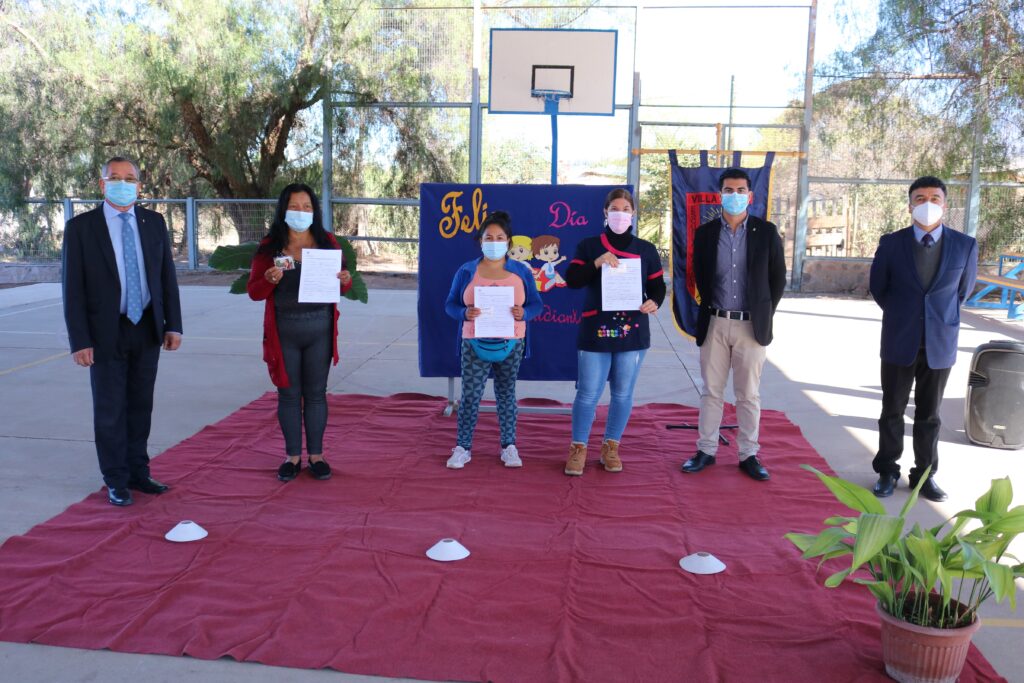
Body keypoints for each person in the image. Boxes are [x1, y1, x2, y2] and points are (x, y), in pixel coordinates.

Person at [62, 156, 183, 507]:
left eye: (129, 178)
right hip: (105, 332)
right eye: (115, 178)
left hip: (146, 327)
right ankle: (115, 479)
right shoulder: (82, 228)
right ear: (102, 184)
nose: (122, 183)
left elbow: (166, 279)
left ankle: (138, 472)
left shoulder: (153, 222)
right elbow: (73, 290)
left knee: (140, 404)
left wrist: (172, 323)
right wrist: (80, 340)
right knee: (110, 407)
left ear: (139, 185)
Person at [869, 176, 978, 502]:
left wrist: (934, 318)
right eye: (920, 198)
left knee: (930, 415)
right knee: (892, 410)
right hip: (899, 339)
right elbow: (879, 288)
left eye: (934, 197)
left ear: (945, 204)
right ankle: (887, 470)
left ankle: (924, 475)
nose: (927, 203)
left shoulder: (964, 245)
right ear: (910, 205)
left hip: (940, 342)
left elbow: (962, 292)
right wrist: (905, 314)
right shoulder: (891, 243)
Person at [680, 168, 786, 482]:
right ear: (720, 194)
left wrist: (762, 311)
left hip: (751, 327)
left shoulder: (766, 232)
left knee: (748, 394)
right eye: (729, 190)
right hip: (715, 322)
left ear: (750, 196)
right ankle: (706, 450)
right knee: (711, 391)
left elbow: (777, 279)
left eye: (741, 190)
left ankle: (748, 454)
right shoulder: (706, 233)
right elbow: (700, 275)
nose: (735, 195)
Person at [247, 183, 352, 482]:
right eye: (294, 206)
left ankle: (316, 456)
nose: (301, 212)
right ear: (283, 210)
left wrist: (344, 279)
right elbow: (254, 291)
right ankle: (292, 456)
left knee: (316, 395)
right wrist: (268, 279)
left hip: (319, 330)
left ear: (315, 211)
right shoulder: (270, 247)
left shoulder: (327, 242)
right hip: (284, 333)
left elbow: (342, 282)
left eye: (307, 207)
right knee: (289, 395)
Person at [563, 188, 666, 476]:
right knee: (587, 393)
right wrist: (597, 262)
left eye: (626, 208)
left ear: (633, 214)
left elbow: (658, 287)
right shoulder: (589, 245)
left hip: (633, 332)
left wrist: (654, 301)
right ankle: (578, 447)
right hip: (595, 330)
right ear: (605, 213)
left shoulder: (646, 249)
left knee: (622, 394)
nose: (620, 213)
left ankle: (611, 445)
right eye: (615, 208)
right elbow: (572, 280)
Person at [443, 211, 543, 469]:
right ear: (480, 241)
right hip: (474, 343)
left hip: (512, 343)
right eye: (489, 237)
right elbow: (450, 305)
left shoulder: (521, 271)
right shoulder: (467, 271)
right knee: (471, 396)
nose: (494, 241)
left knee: (507, 394)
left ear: (508, 242)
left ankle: (509, 446)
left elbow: (536, 304)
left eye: (500, 237)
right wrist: (465, 313)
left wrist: (525, 313)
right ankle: (462, 447)